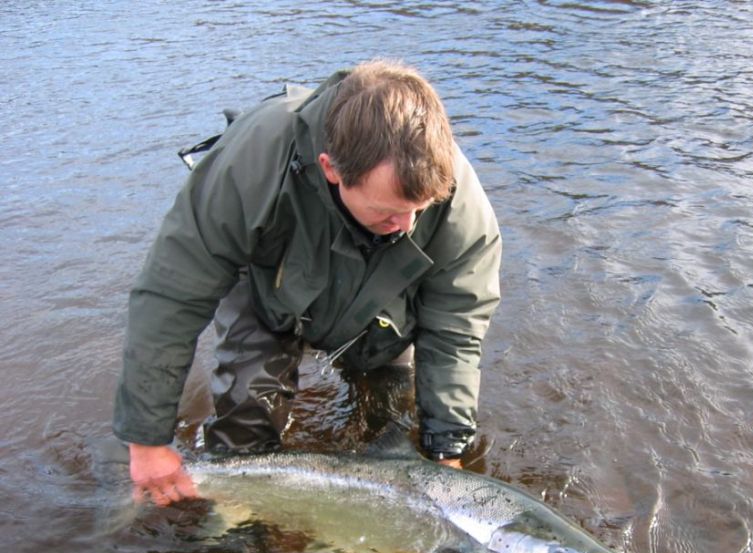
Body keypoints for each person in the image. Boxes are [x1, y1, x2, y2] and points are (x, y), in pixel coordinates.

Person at [112, 60, 502, 506]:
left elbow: (455, 328)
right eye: (388, 212)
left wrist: (447, 450)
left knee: (392, 421)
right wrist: (146, 441)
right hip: (270, 292)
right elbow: (172, 296)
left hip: (384, 309)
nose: (406, 226)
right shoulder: (251, 164)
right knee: (243, 429)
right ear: (331, 168)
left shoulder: (459, 204)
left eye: (419, 209)